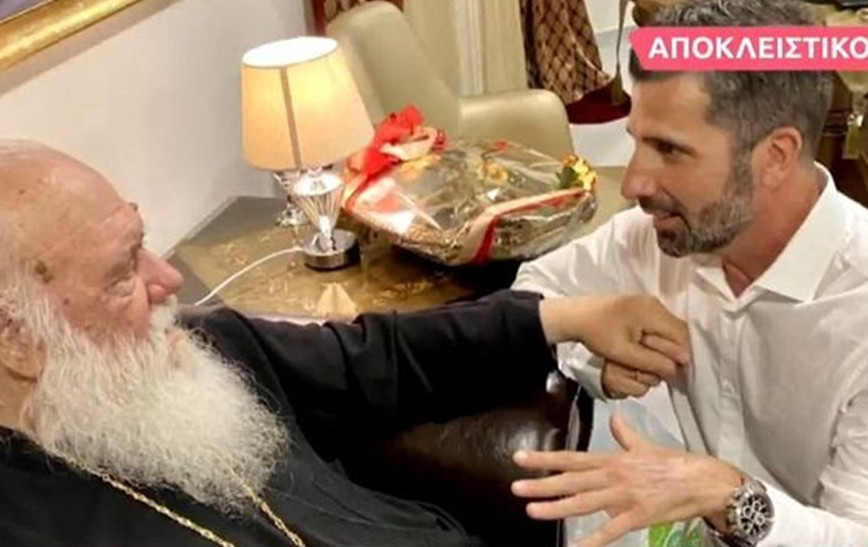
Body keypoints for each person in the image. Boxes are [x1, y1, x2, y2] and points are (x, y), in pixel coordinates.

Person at [0, 140, 688, 547]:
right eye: (122, 273)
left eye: (143, 243)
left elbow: (379, 357)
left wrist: (564, 316)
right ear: (17, 340)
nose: (168, 279)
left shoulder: (200, 349)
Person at [509, 1, 868, 546]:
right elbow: (533, 293)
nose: (634, 183)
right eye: (636, 140)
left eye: (669, 150)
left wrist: (729, 495)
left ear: (776, 156)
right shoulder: (660, 238)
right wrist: (592, 345)